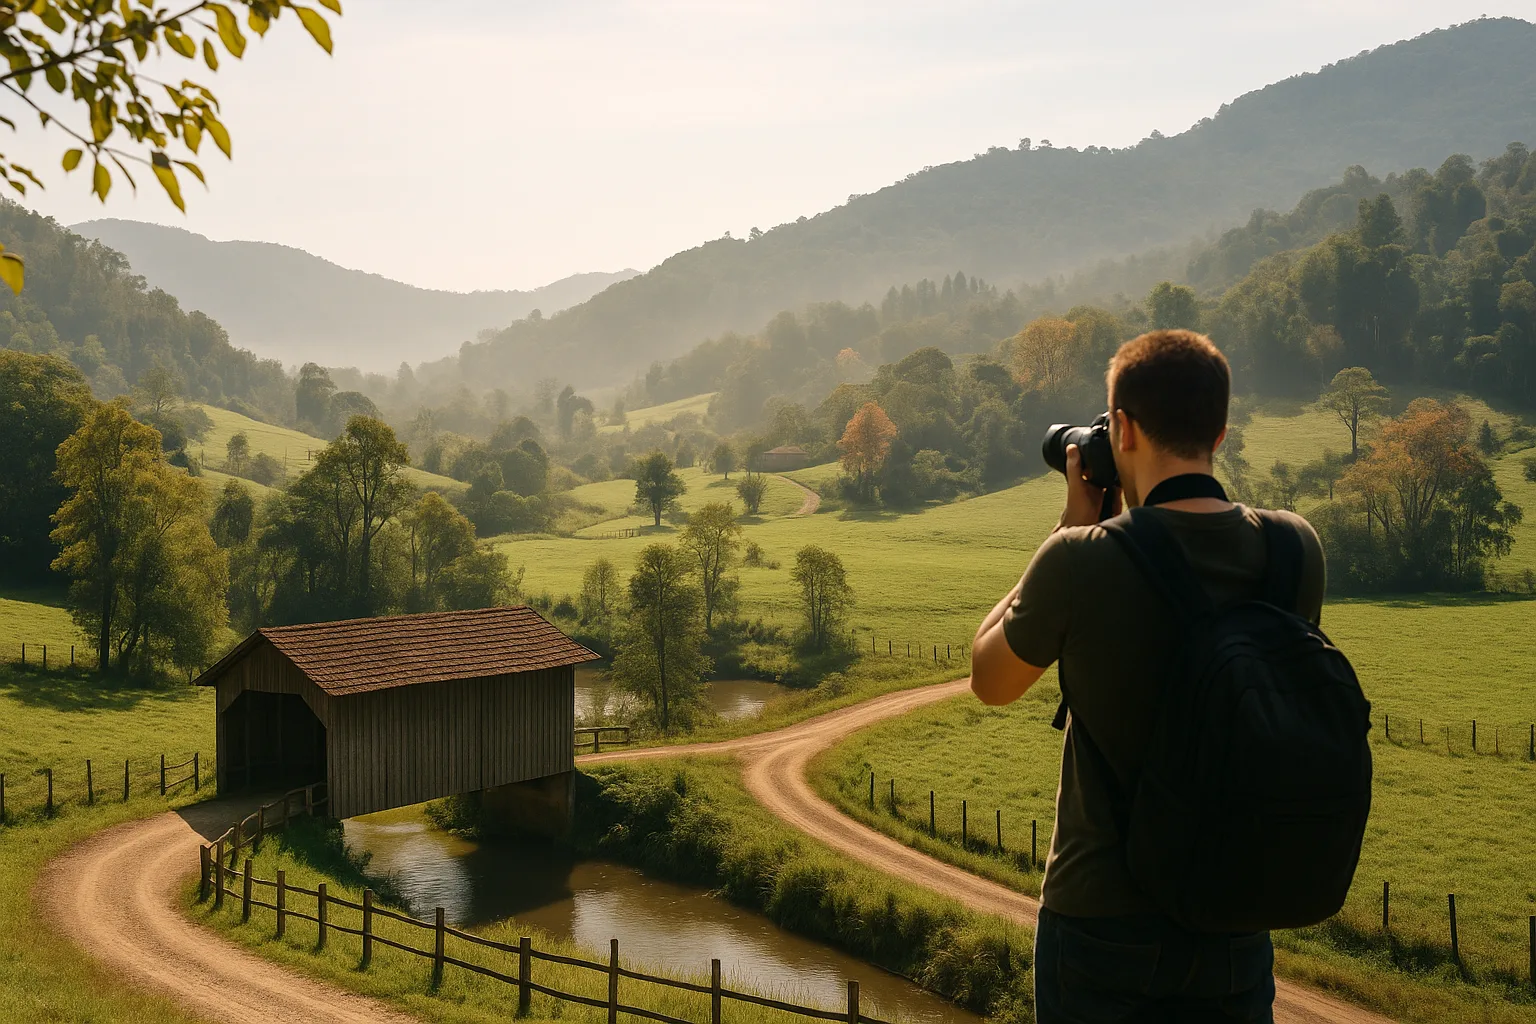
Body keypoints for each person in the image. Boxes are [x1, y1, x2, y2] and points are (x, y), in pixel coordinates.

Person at [969, 329, 1324, 1023]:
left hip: (1099, 920)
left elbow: (990, 678)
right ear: (1219, 433)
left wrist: (1068, 528)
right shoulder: (1295, 548)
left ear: (1122, 429)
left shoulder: (1081, 559)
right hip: (1235, 917)